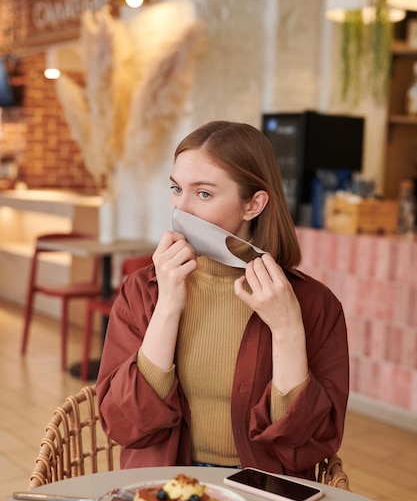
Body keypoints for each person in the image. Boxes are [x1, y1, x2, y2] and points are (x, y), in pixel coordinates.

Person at [96, 120, 349, 480]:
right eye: (176, 188)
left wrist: (287, 328)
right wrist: (168, 304)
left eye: (203, 194)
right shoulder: (142, 290)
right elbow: (124, 425)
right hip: (162, 488)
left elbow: (307, 443)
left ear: (253, 204)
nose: (181, 210)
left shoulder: (315, 305)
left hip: (265, 490)